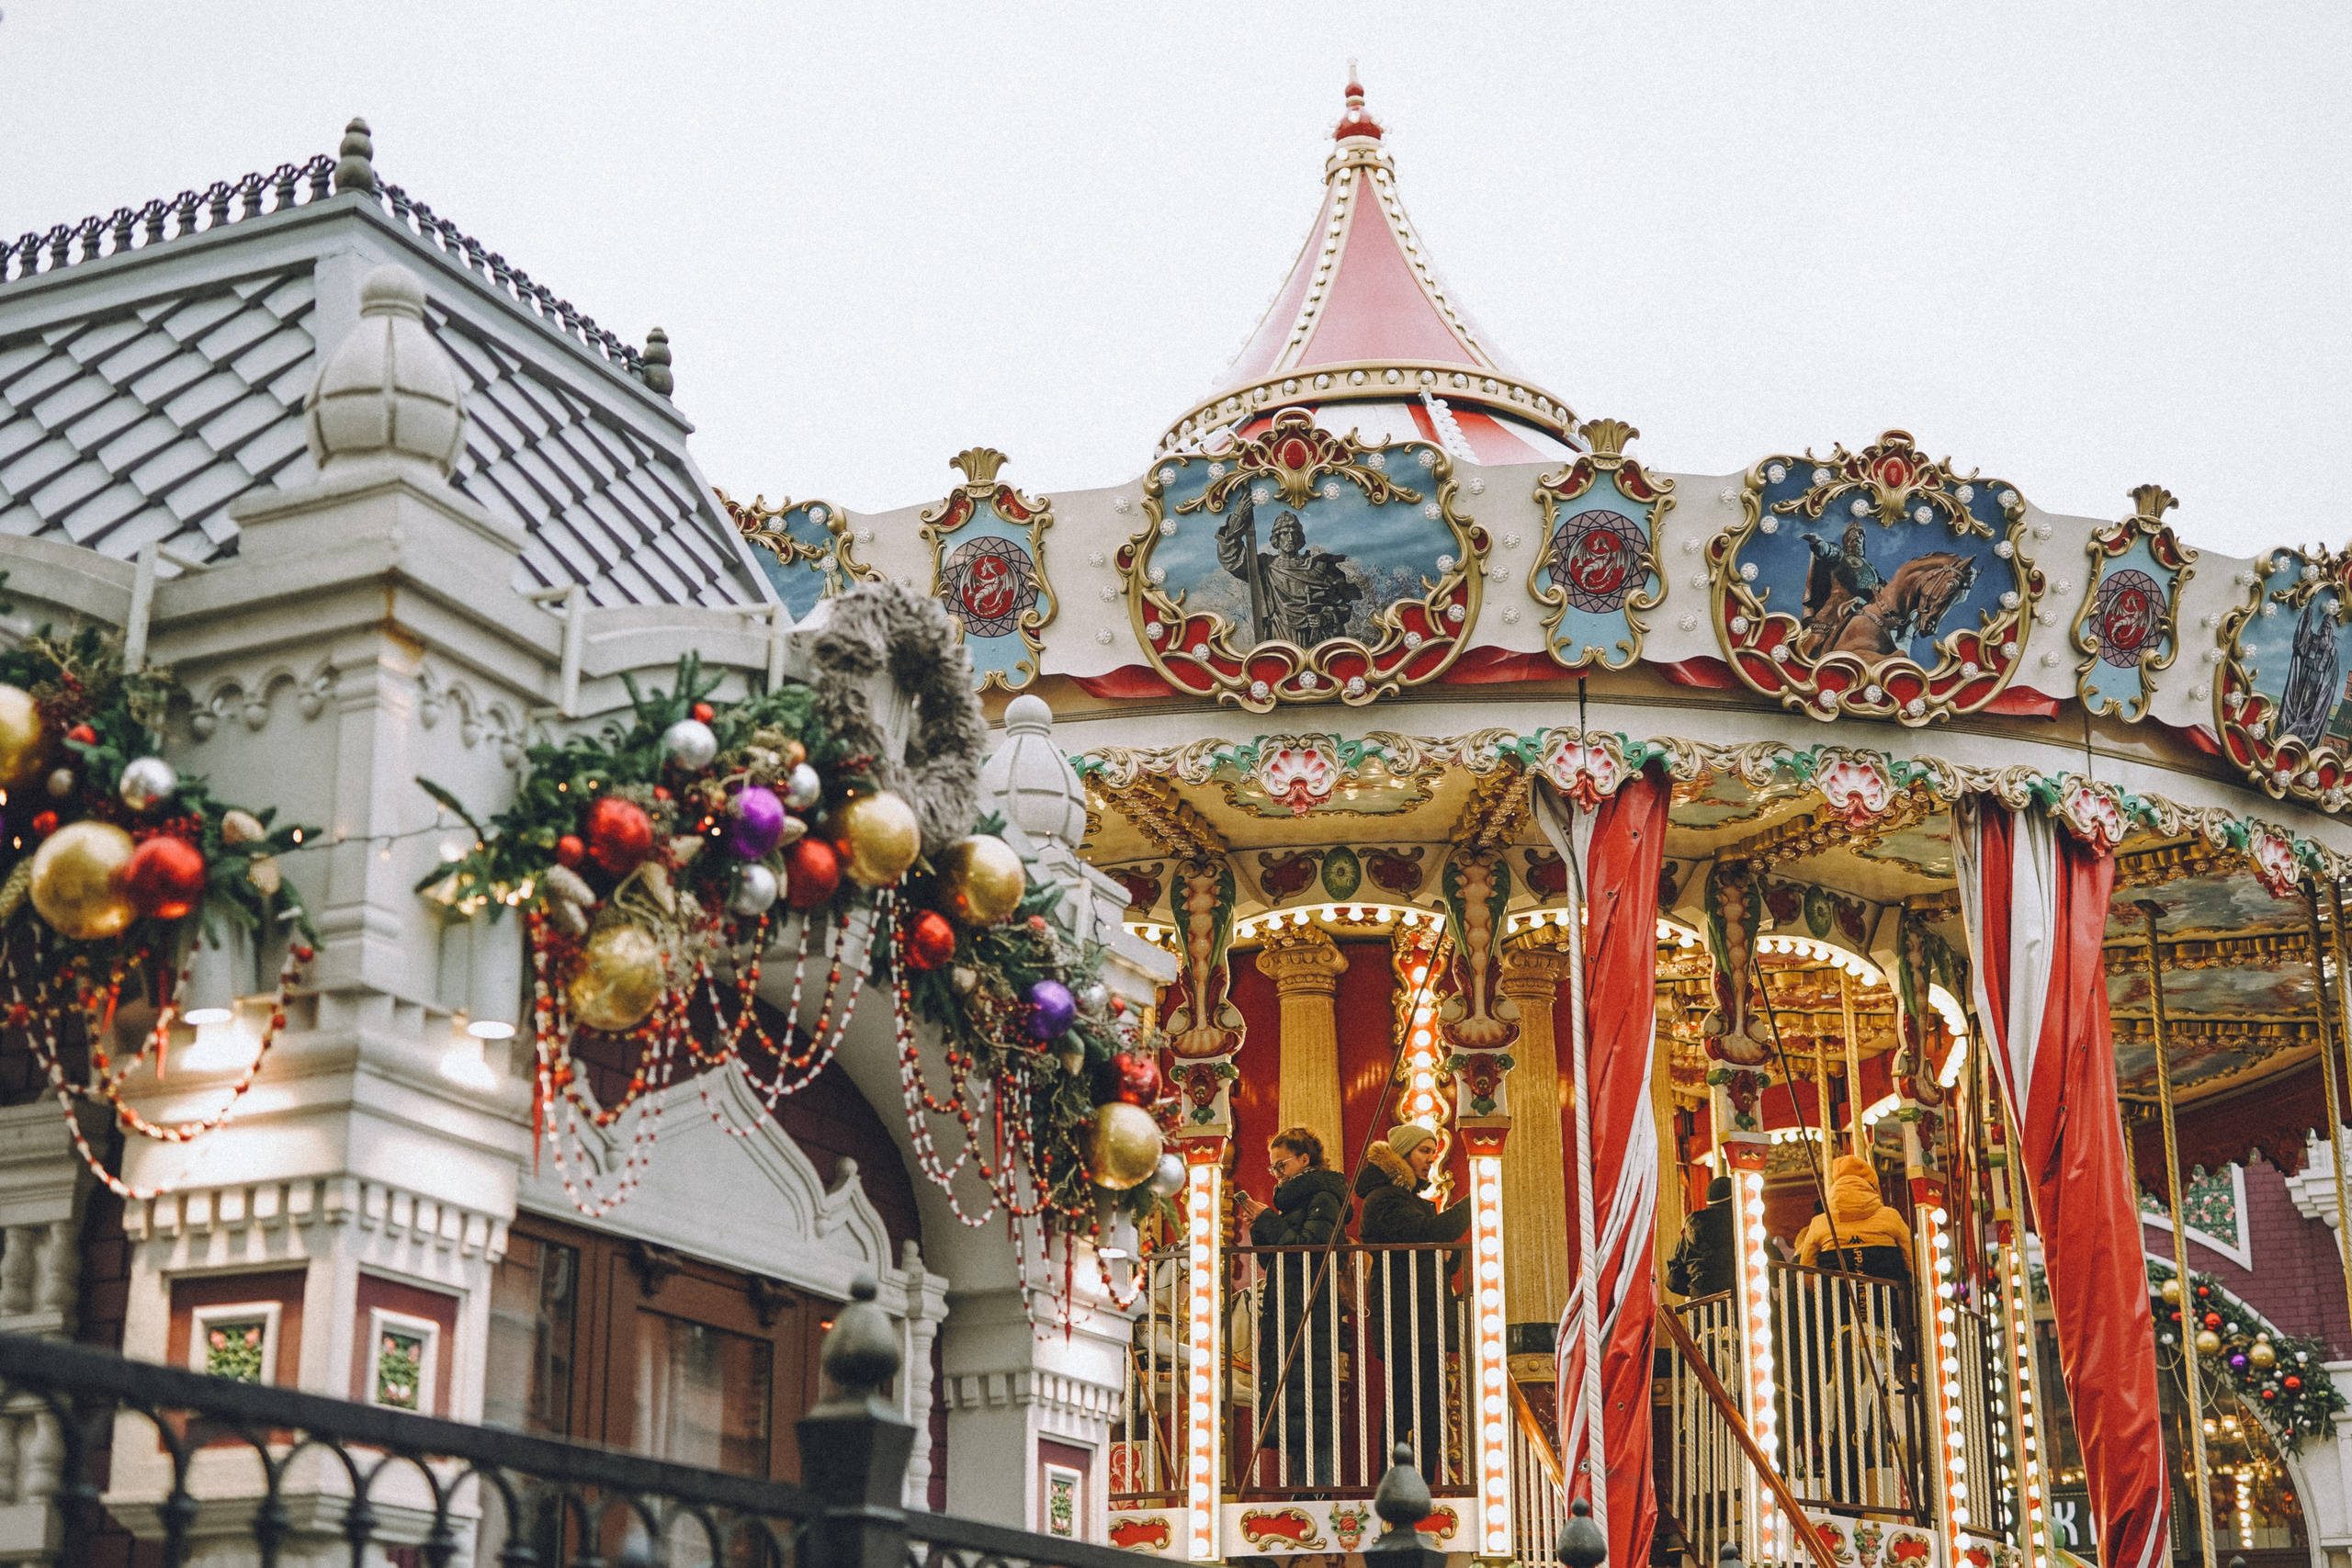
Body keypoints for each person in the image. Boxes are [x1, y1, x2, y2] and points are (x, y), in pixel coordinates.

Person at [1234, 1127, 1350, 1488]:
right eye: (1273, 1168)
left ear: (1304, 1159)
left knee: (1314, 1410)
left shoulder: (1324, 1196)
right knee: (1299, 1413)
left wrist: (1269, 1219)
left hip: (1311, 1315)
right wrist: (1262, 1226)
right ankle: (1303, 1491)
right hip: (1292, 1312)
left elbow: (1308, 1250)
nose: (1277, 1173)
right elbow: (1279, 1262)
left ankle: (1317, 1492)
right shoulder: (1297, 1202)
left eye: (1281, 1165)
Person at [1355, 1123, 1469, 1474]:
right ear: (1401, 1154)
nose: (1430, 1159)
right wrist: (1472, 1202)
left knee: (1424, 1407)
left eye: (1432, 1151)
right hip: (1407, 1317)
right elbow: (1425, 1237)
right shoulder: (1385, 1199)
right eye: (1423, 1150)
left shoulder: (1409, 1203)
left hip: (1419, 1315)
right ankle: (1398, 1483)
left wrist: (1446, 1249)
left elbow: (1441, 1250)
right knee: (1408, 1407)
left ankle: (1415, 1480)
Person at [1215, 490, 1362, 648]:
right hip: (1280, 635)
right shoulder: (1265, 567)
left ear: (1300, 537)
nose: (1290, 538)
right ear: (1276, 538)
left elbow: (1343, 606)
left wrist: (1325, 618)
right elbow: (1230, 557)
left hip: (1318, 640)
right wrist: (1238, 519)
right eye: (1284, 533)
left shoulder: (1319, 567)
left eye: (1294, 533)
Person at [1795, 1154, 1913, 1283]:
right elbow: (1912, 1258)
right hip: (1887, 1296)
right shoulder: (1890, 1216)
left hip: (1838, 1297)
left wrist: (1816, 1294)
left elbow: (1807, 1267)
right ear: (1871, 1185)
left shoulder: (1820, 1222)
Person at [1665, 1175, 1737, 1299]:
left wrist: (1696, 1289)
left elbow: (1673, 1280)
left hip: (1701, 1298)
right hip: (1735, 1294)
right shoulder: (1742, 1222)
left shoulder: (1692, 1228)